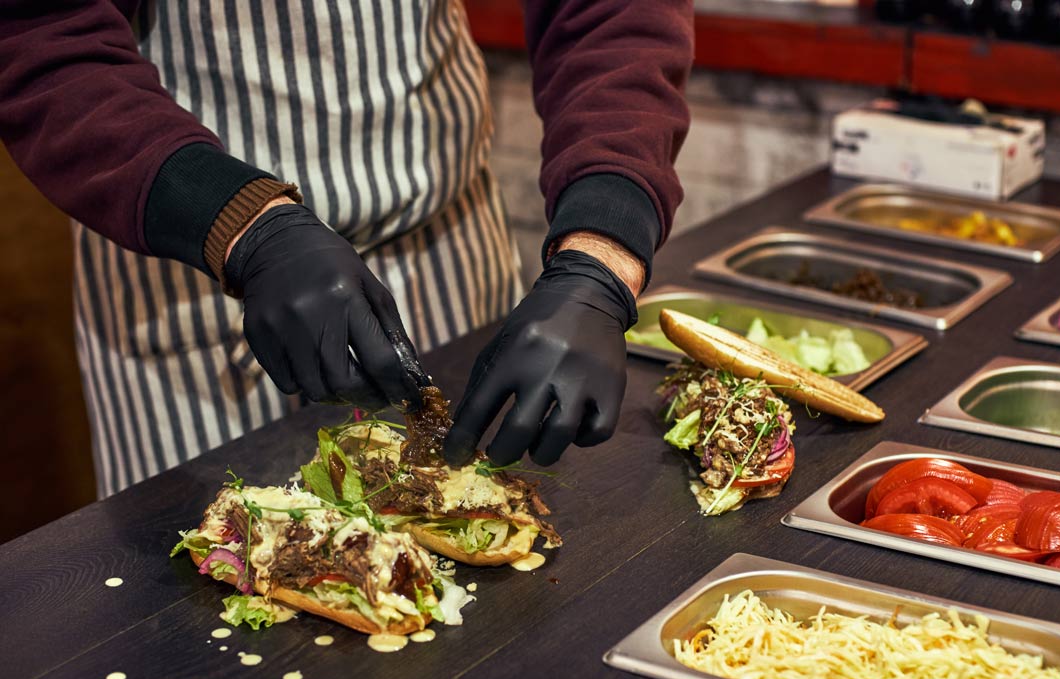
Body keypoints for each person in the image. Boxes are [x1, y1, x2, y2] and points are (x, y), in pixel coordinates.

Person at [0, 1, 692, 496]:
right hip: (193, 291)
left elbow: (611, 12)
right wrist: (245, 224)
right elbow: (41, 38)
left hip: (444, 253)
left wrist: (602, 251)